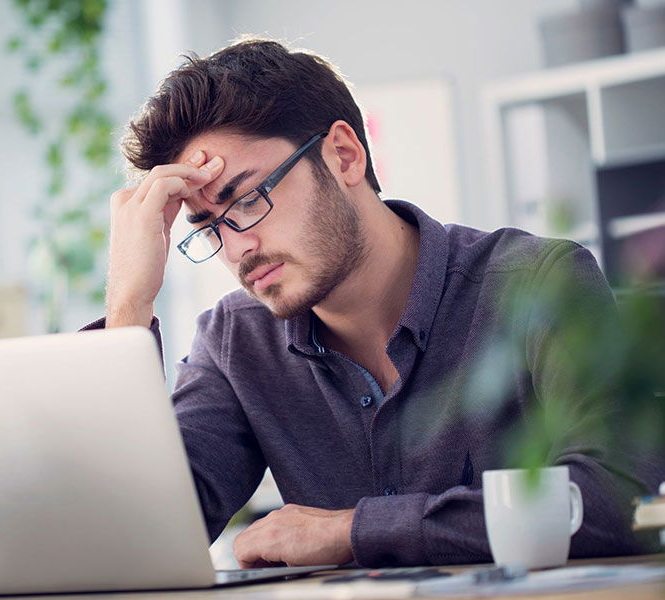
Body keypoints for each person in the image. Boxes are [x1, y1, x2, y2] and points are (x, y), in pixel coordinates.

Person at [88, 38, 657, 568]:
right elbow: (134, 542)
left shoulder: (537, 282)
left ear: (342, 155)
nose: (239, 248)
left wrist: (351, 531)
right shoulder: (235, 341)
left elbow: (610, 500)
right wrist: (129, 304)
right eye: (210, 227)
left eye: (249, 198)